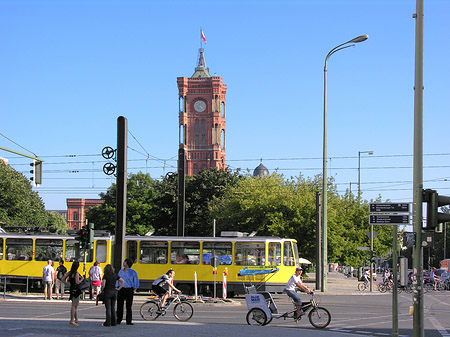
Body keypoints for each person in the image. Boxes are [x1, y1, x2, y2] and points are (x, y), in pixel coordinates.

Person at [116, 258, 139, 325]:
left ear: (127, 263)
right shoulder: (120, 271)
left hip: (129, 289)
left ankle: (128, 320)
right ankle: (119, 319)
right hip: (121, 289)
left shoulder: (133, 272)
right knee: (120, 305)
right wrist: (117, 287)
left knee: (129, 306)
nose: (123, 263)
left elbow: (136, 280)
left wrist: (135, 288)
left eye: (124, 262)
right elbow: (118, 280)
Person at [62, 261, 84, 327]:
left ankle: (76, 319)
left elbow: (63, 279)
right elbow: (77, 282)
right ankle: (72, 320)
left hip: (72, 289)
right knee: (74, 305)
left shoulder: (69, 273)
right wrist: (82, 279)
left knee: (75, 305)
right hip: (76, 290)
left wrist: (68, 284)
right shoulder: (76, 273)